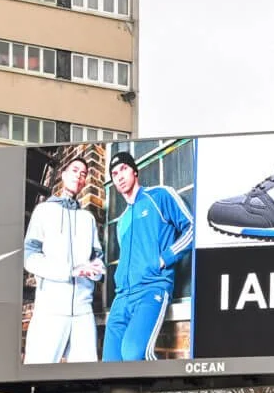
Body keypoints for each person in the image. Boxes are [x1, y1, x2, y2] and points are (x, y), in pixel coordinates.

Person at [103, 150, 193, 361]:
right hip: (121, 297)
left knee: (134, 355)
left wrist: (164, 259)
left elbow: (192, 228)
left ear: (135, 171)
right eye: (114, 174)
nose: (120, 176)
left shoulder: (159, 196)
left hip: (151, 289)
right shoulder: (122, 222)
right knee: (109, 363)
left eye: (124, 169)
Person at [22, 149, 104, 364]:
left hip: (82, 312)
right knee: (37, 374)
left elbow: (98, 259)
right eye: (75, 170)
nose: (79, 175)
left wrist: (95, 271)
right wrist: (69, 271)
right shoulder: (43, 211)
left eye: (84, 173)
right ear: (64, 174)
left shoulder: (88, 219)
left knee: (88, 380)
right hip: (51, 309)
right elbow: (30, 257)